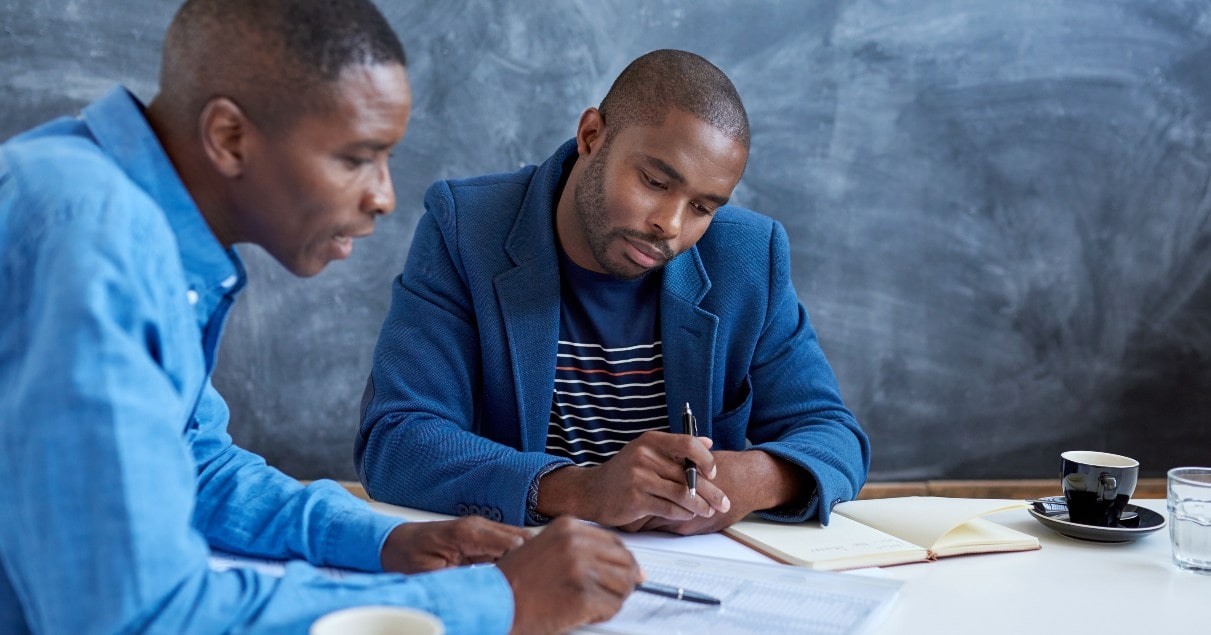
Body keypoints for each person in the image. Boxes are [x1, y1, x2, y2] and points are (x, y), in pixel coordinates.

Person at [0, 1, 640, 634]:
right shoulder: (92, 240)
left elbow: (196, 462)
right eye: (356, 158)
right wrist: (498, 602)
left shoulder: (119, 207)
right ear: (229, 137)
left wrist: (386, 543)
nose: (384, 196)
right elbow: (134, 616)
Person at [356, 49, 871, 535]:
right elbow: (396, 441)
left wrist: (753, 479)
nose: (669, 225)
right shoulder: (468, 230)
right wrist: (583, 490)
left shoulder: (749, 257)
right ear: (591, 135)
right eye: (653, 181)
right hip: (523, 572)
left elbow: (834, 436)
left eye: (702, 208)